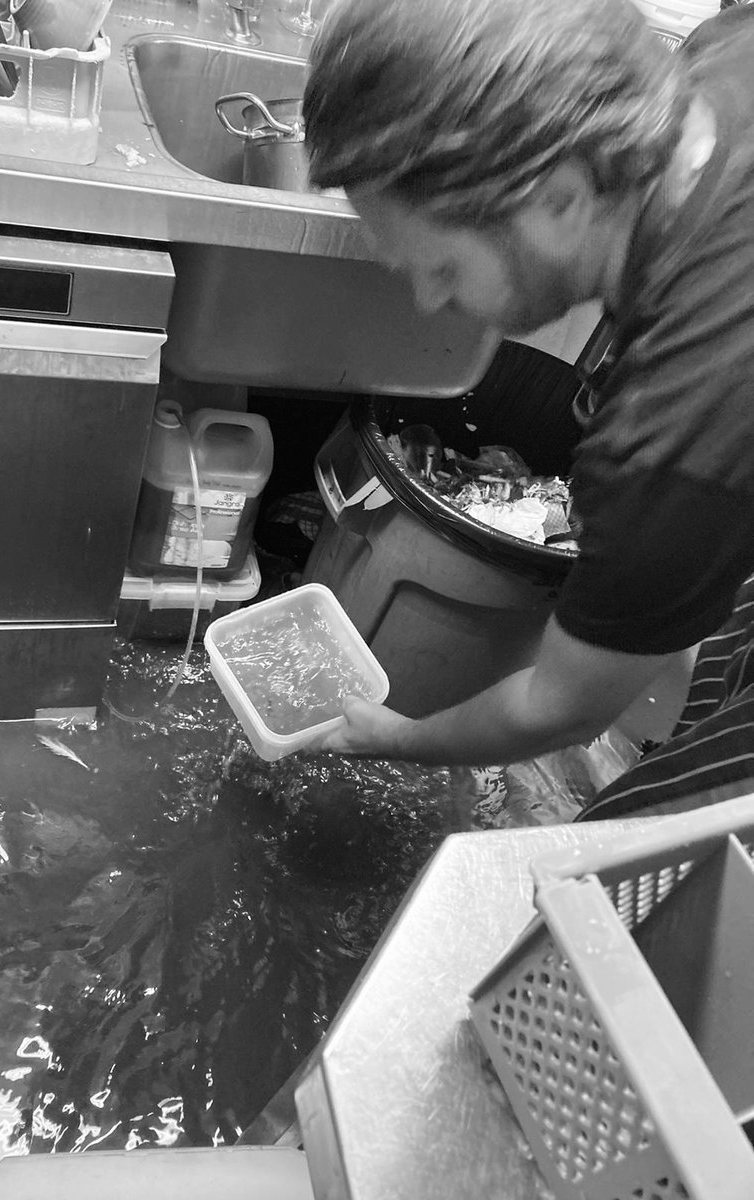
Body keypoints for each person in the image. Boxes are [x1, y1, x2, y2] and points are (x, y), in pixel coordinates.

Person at [302, 0, 754, 816]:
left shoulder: (670, 442)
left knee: (631, 844)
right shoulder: (726, 55)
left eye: (440, 265)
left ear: (561, 198)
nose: (429, 300)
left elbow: (562, 705)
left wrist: (388, 734)